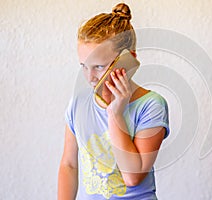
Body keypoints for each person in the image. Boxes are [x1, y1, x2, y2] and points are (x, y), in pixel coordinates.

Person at [58, 3, 170, 200]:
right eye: (84, 66)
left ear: (128, 60)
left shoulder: (151, 105)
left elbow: (132, 176)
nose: (90, 77)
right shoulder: (79, 102)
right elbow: (69, 164)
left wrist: (115, 113)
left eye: (99, 66)